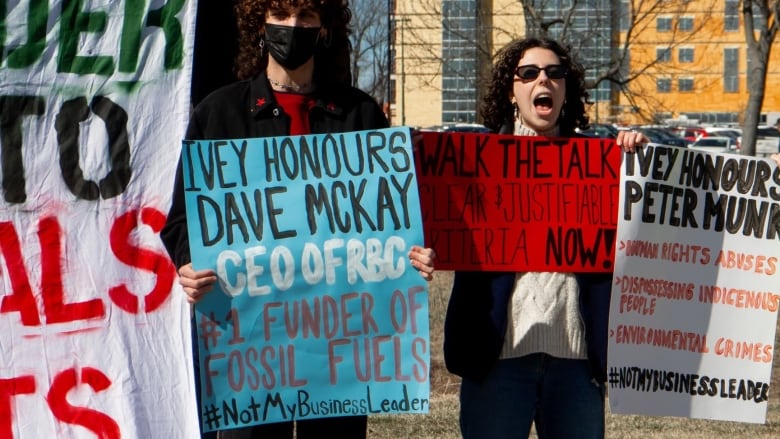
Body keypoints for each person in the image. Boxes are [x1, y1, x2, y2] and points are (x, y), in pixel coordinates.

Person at [161, 1, 436, 438]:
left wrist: (411, 255)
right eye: (282, 14)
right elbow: (181, 219)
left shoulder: (360, 115)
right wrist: (188, 262)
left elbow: (390, 217)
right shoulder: (218, 114)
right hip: (248, 344)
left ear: (323, 27)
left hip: (337, 352)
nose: (294, 27)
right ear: (260, 24)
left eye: (306, 16)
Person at [442, 37, 645, 439]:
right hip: (497, 360)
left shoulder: (602, 164)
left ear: (566, 89)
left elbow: (646, 228)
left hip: (576, 365)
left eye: (555, 73)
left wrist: (641, 163)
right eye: (529, 73)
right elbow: (435, 227)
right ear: (511, 90)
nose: (543, 80)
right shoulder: (473, 162)